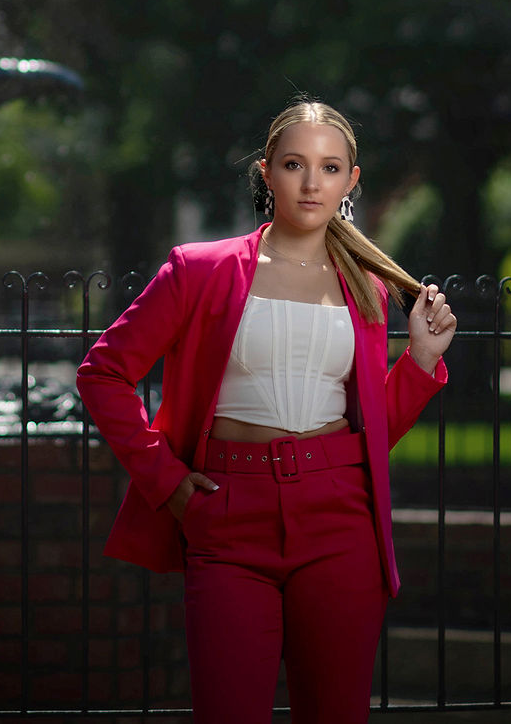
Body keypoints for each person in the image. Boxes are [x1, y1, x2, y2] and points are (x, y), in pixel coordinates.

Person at [77, 99, 457, 724]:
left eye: (330, 167)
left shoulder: (370, 288)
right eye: (294, 164)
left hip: (341, 516)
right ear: (266, 173)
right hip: (226, 514)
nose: (313, 183)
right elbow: (104, 374)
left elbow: (371, 430)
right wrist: (169, 486)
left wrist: (418, 360)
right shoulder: (199, 271)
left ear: (350, 181)